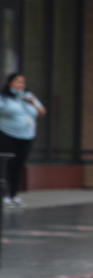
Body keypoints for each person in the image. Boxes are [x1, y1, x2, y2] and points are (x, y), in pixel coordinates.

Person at [0, 73, 46, 207]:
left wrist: (32, 103)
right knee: (8, 164)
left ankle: (13, 195)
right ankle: (5, 194)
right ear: (10, 83)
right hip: (7, 135)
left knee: (18, 165)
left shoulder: (28, 97)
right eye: (17, 82)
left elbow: (42, 113)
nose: (21, 85)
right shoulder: (4, 98)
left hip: (26, 137)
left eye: (23, 82)